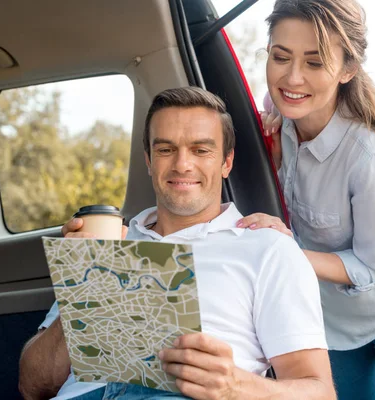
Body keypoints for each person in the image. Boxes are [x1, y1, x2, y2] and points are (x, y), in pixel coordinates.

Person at [18, 87, 336, 400]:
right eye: (166, 149)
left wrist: (237, 388)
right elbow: (33, 387)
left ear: (226, 162)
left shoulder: (268, 248)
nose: (182, 165)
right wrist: (85, 287)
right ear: (149, 160)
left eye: (201, 150)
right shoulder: (110, 242)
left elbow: (319, 392)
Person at [236, 1, 375, 399]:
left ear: (348, 70)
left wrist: (283, 251)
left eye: (315, 64)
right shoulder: (274, 119)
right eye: (280, 57)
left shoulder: (368, 154)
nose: (292, 77)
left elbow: (373, 265)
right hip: (333, 325)